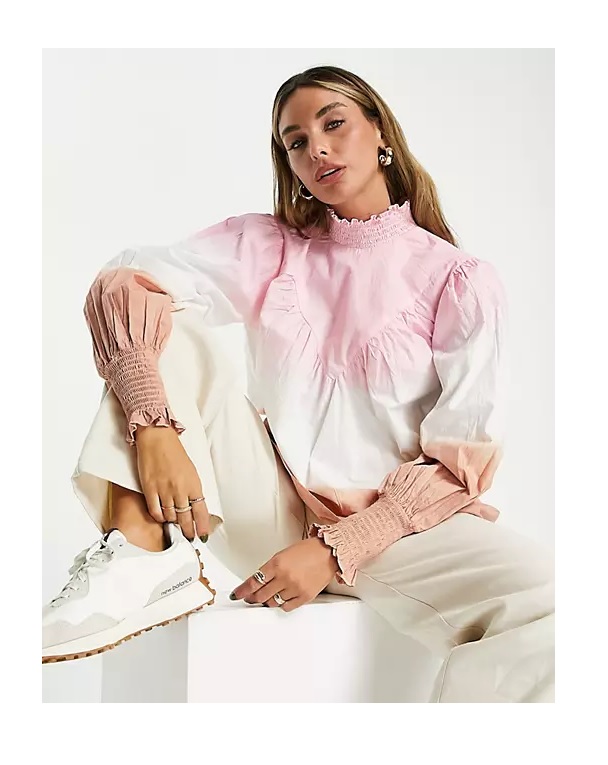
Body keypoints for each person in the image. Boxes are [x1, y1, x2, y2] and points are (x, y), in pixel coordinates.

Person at [42, 65, 554, 702]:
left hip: (402, 532)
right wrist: (154, 429)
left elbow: (459, 463)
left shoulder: (458, 280)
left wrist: (338, 548)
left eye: (334, 124)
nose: (317, 149)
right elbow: (122, 284)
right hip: (270, 511)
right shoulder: (271, 247)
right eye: (296, 141)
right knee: (171, 325)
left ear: (381, 133)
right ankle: (138, 555)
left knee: (562, 606)